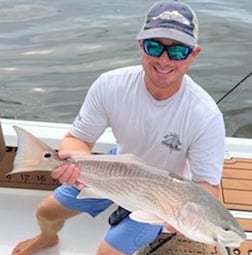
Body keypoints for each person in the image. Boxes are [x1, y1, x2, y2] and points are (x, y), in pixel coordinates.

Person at [11, 0, 226, 255]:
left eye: (178, 51)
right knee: (45, 212)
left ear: (194, 54)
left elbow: (206, 185)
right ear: (140, 46)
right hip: (115, 167)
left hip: (164, 193)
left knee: (107, 253)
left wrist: (182, 216)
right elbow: (77, 139)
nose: (164, 59)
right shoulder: (110, 86)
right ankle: (47, 238)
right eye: (154, 46)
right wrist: (73, 163)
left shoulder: (206, 116)